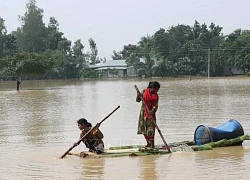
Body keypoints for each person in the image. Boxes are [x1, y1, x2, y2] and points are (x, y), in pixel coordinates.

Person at [136, 81, 160, 148]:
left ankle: (152, 144)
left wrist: (152, 111)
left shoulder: (156, 96)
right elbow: (138, 100)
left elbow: (156, 106)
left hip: (151, 114)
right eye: (157, 89)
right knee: (143, 129)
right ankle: (148, 143)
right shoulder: (144, 92)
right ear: (152, 88)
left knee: (151, 130)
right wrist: (138, 95)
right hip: (143, 113)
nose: (157, 91)